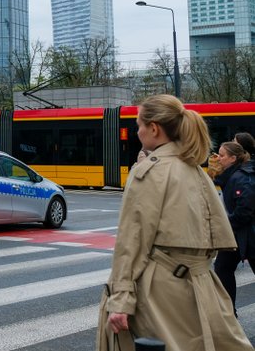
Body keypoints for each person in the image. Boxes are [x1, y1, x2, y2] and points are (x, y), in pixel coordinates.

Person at [97, 94, 252, 351]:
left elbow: (131, 241)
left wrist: (121, 300)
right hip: (202, 283)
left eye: (139, 125)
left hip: (161, 289)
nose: (138, 132)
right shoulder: (195, 170)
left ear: (154, 128)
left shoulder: (148, 171)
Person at [213, 141, 255, 316]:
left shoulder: (240, 177)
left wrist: (223, 223)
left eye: (222, 155)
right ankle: (228, 313)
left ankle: (228, 313)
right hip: (239, 235)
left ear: (233, 158)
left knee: (223, 268)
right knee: (223, 267)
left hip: (247, 236)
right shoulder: (232, 175)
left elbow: (244, 211)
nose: (218, 158)